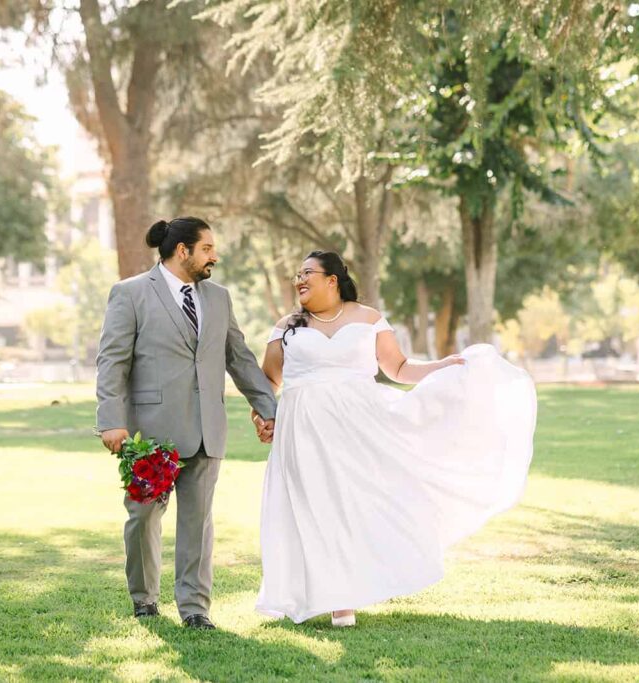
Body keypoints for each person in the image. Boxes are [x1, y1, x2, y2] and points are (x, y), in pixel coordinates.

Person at [255, 251, 537, 627]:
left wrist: (442, 367)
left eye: (307, 273)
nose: (299, 280)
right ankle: (322, 594)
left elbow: (398, 367)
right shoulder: (287, 326)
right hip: (302, 429)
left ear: (332, 280)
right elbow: (268, 381)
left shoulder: (367, 318)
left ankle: (344, 598)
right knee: (311, 505)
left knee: (352, 502)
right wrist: (260, 415)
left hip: (359, 426)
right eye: (297, 275)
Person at [95, 217, 276, 630]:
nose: (215, 255)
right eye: (208, 248)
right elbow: (112, 361)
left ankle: (195, 609)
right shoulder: (131, 293)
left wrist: (269, 408)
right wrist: (110, 420)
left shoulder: (218, 298)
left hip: (206, 429)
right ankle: (144, 599)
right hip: (149, 433)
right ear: (183, 251)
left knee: (198, 525)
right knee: (143, 518)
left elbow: (239, 358)